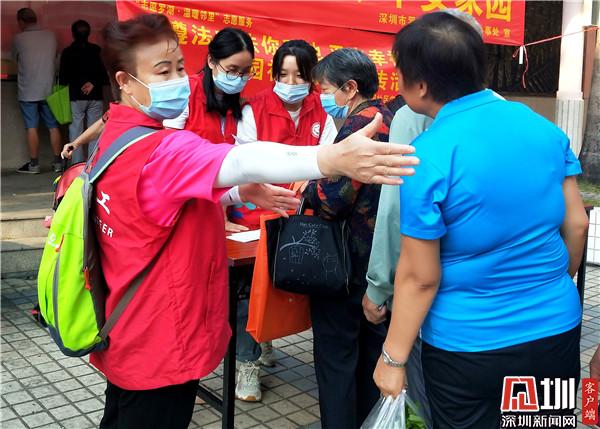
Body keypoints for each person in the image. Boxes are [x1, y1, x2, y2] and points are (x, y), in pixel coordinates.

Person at [92, 13, 418, 428]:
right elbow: (241, 159)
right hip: (161, 336)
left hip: (127, 326)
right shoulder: (161, 148)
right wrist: (329, 158)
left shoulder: (118, 136)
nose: (179, 80)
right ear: (124, 81)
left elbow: (163, 196)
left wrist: (237, 193)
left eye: (179, 67)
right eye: (162, 71)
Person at [373, 12, 589, 429]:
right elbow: (577, 224)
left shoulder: (426, 155)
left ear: (421, 85)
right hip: (555, 330)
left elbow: (420, 277)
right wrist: (542, 287)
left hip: (468, 347)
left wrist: (392, 358)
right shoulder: (544, 129)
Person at [363, 11, 484, 428]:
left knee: (431, 410)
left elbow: (397, 217)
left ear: (420, 82)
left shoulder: (418, 127)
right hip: (542, 325)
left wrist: (378, 288)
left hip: (447, 319)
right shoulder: (524, 121)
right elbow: (575, 225)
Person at [228, 39, 338, 402]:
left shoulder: (321, 111)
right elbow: (243, 163)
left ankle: (264, 337)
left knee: (284, 289)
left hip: (300, 218)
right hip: (254, 216)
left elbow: (330, 159)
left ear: (312, 78)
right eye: (283, 75)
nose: (290, 83)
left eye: (299, 76)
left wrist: (314, 174)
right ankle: (247, 363)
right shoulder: (253, 109)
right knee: (248, 289)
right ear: (274, 75)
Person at [301, 48, 393, 429]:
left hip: (344, 264)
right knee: (370, 356)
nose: (323, 97)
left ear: (350, 88)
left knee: (336, 362)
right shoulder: (390, 117)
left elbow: (334, 198)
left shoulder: (360, 125)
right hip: (379, 265)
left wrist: (309, 187)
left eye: (326, 90)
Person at [11, 8, 63, 174]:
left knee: (31, 127)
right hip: (48, 89)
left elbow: (14, 59)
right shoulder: (50, 36)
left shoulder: (19, 38)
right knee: (53, 126)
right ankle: (58, 163)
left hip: (28, 90)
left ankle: (34, 165)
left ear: (21, 21)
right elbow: (56, 57)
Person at [59, 19, 108, 163]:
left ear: (72, 34)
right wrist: (92, 83)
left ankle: (77, 164)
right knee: (96, 130)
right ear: (89, 34)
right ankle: (93, 164)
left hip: (75, 96)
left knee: (75, 130)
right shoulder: (96, 50)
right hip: (95, 96)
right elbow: (104, 75)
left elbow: (63, 78)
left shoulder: (67, 52)